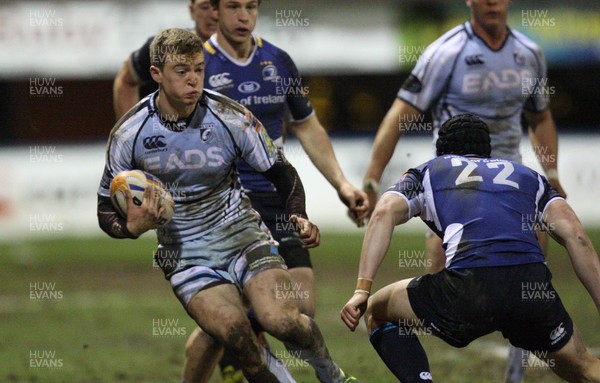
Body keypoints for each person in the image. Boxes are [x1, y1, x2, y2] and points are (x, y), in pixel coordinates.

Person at [97, 28, 359, 383]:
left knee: (283, 320)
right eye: (182, 72)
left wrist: (297, 212)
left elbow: (281, 170)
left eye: (199, 70)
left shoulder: (229, 115)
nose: (193, 80)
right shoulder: (129, 133)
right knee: (236, 335)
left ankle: (332, 375)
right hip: (186, 255)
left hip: (243, 235)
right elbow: (104, 209)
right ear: (156, 75)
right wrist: (129, 227)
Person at [363, 1, 566, 379]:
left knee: (529, 271)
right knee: (443, 288)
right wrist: (372, 180)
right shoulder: (446, 52)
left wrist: (550, 172)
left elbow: (541, 117)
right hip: (456, 185)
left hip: (512, 182)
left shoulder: (529, 53)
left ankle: (514, 373)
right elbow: (400, 114)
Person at [182, 0, 368, 381]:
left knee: (301, 306)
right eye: (233, 6)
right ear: (215, 11)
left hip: (275, 197)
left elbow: (308, 126)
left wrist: (342, 183)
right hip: (226, 206)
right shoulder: (199, 65)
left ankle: (224, 331)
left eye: (251, 6)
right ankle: (227, 333)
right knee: (266, 309)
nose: (243, 16)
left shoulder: (278, 61)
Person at [341, 114, 600, 383]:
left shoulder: (431, 170)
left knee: (376, 311)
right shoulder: (528, 176)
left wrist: (362, 289)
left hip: (468, 288)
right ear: (487, 150)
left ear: (442, 149)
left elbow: (383, 213)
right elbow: (577, 236)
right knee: (582, 368)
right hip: (530, 289)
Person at [113, 0, 218, 119]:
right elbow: (126, 81)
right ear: (192, 10)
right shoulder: (165, 47)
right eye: (205, 7)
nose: (214, 15)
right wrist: (130, 131)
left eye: (217, 7)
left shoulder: (241, 57)